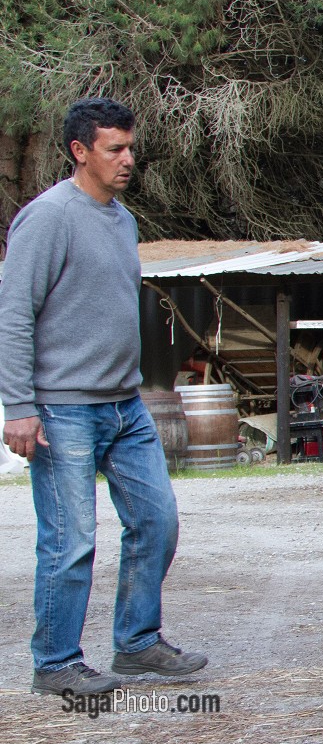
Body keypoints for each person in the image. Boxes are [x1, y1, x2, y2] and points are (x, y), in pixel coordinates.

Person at [0, 97, 207, 697]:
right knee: (70, 540)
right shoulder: (47, 218)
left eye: (130, 147)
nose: (127, 159)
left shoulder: (122, 218)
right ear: (79, 151)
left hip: (125, 404)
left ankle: (138, 645)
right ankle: (56, 662)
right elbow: (13, 315)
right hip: (64, 407)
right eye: (115, 149)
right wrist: (17, 407)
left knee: (157, 521)